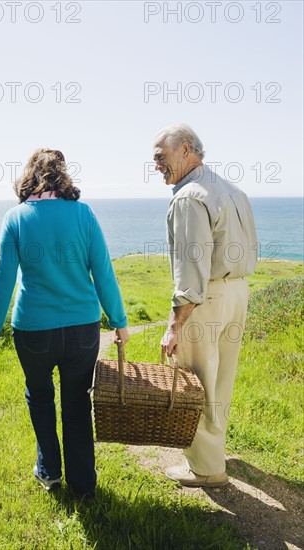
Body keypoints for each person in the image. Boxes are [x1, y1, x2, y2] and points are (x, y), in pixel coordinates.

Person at [0, 148, 129, 497]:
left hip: (33, 332)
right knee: (76, 401)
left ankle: (49, 472)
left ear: (28, 176)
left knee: (40, 395)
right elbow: (103, 271)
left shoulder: (16, 218)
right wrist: (119, 321)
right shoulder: (84, 214)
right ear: (63, 176)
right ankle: (83, 484)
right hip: (82, 330)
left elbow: (3, 280)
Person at [154, 124, 257, 487]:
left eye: (160, 157)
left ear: (185, 150)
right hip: (238, 292)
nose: (156, 166)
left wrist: (174, 324)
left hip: (206, 299)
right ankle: (214, 454)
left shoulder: (188, 196)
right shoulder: (232, 189)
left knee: (196, 382)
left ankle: (206, 468)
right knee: (221, 380)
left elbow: (191, 265)